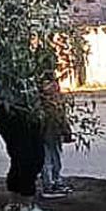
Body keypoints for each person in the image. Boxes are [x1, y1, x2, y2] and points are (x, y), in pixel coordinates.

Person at [0, 42, 51, 211]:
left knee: (20, 156)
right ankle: (26, 205)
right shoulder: (12, 50)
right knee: (30, 157)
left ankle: (14, 204)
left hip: (7, 111)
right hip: (18, 112)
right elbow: (24, 84)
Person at [39, 66, 73, 200]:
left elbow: (61, 116)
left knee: (51, 157)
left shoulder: (44, 98)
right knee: (50, 158)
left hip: (50, 132)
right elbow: (60, 116)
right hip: (50, 131)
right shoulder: (52, 100)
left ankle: (54, 181)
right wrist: (66, 130)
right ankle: (50, 183)